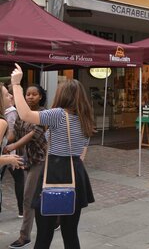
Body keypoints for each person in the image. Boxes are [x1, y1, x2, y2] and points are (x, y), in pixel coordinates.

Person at [10, 64, 95, 249]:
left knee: (44, 234)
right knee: (71, 234)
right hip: (76, 172)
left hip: (54, 171)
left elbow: (25, 114)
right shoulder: (85, 117)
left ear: (62, 95)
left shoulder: (57, 114)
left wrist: (16, 84)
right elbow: (83, 149)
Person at [6, 83, 48, 249]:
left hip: (40, 160)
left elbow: (32, 135)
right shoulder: (21, 113)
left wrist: (11, 147)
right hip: (27, 159)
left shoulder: (44, 114)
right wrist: (4, 141)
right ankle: (56, 219)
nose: (30, 97)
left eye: (34, 94)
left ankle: (25, 237)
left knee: (28, 198)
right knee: (37, 195)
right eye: (28, 94)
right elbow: (14, 133)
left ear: (41, 97)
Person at [0, 83, 24, 218]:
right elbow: (12, 134)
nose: (10, 96)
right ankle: (22, 210)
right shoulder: (3, 121)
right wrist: (8, 158)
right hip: (9, 154)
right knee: (20, 179)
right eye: (6, 94)